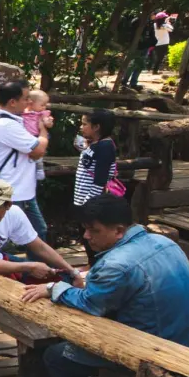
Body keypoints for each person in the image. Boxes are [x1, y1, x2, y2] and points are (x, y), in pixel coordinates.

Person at [21, 195, 189, 377]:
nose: (86, 237)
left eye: (93, 230)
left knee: (56, 356)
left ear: (118, 230)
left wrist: (54, 289)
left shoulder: (116, 264)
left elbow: (90, 304)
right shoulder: (164, 242)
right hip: (182, 337)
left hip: (149, 351)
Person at [0, 179, 82, 283]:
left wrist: (71, 271)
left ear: (8, 205)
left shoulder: (14, 213)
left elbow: (39, 246)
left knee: (62, 279)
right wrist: (29, 267)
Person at [0, 80, 50, 241]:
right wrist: (43, 130)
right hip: (13, 192)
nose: (29, 102)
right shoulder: (6, 125)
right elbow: (38, 150)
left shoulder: (14, 121)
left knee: (36, 233)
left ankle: (33, 265)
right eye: (26, 98)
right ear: (12, 102)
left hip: (22, 191)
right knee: (7, 239)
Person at [72, 109, 119, 264]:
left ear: (97, 127)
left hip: (90, 200)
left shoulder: (105, 147)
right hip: (83, 199)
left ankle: (96, 266)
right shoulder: (96, 144)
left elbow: (100, 181)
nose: (81, 127)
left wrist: (88, 204)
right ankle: (92, 264)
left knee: (91, 235)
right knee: (86, 235)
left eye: (85, 124)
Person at [22, 89, 52, 184]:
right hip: (25, 136)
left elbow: (48, 123)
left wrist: (47, 122)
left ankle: (39, 168)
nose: (44, 107)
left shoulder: (42, 113)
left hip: (36, 136)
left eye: (45, 105)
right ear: (31, 102)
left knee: (38, 154)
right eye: (42, 105)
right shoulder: (23, 112)